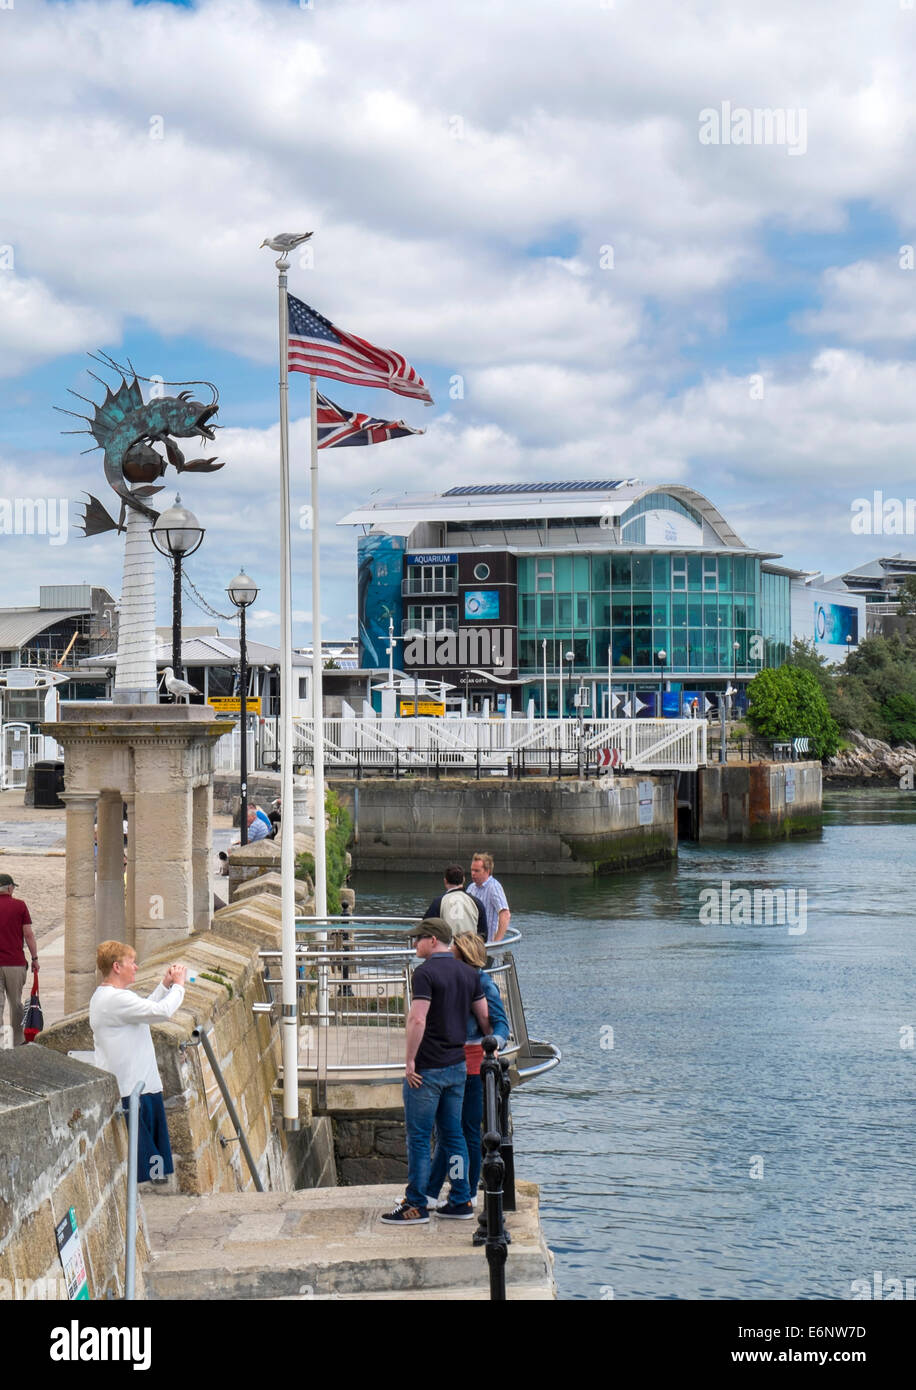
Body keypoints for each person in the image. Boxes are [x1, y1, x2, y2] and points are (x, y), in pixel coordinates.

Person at [380, 918, 489, 1225]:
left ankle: (415, 1205)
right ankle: (460, 1199)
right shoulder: (469, 973)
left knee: (418, 1137)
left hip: (427, 1068)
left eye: (417, 940)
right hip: (457, 1066)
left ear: (432, 940)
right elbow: (484, 1016)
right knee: (453, 1135)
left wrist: (410, 1061)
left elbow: (418, 1020)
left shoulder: (425, 973)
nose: (414, 945)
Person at [89, 941, 187, 1183]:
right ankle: (137, 1212)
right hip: (132, 1092)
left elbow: (145, 1011)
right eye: (131, 962)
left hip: (142, 1088)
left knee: (153, 1168)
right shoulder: (114, 1000)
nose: (136, 966)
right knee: (145, 1169)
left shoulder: (114, 997)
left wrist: (165, 986)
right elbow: (162, 1012)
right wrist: (179, 986)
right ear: (116, 967)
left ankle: (140, 1207)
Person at [427, 932, 510, 1210]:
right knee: (448, 1131)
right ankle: (431, 1192)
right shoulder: (455, 980)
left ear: (463, 954)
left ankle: (468, 1192)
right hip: (449, 1063)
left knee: (467, 1130)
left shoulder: (483, 983)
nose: (448, 951)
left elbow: (501, 1025)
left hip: (473, 1068)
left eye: (453, 948)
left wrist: (493, 1045)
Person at [0, 873, 39, 1047]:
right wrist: (35, 958)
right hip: (14, 963)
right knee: (15, 1002)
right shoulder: (19, 905)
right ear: (9, 888)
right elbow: (28, 934)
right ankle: (17, 1040)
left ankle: (1, 1041)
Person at [424, 864, 487, 941]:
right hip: (470, 950)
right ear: (463, 879)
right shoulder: (477, 903)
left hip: (447, 951)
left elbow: (425, 928)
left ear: (445, 881)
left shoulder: (438, 902)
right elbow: (483, 934)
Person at [466, 852, 510, 944]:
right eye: (472, 870)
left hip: (487, 945)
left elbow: (505, 914)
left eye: (477, 871)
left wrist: (496, 943)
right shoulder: (471, 887)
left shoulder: (494, 887)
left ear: (487, 871)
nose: (473, 874)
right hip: (472, 944)